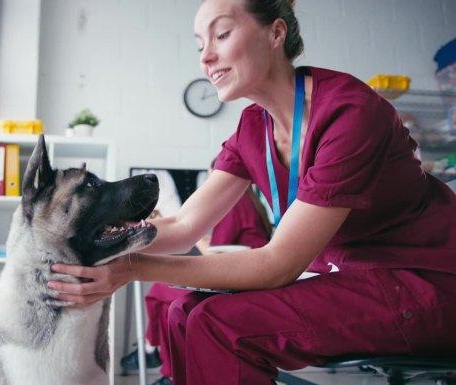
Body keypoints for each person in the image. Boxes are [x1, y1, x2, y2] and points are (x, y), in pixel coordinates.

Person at [48, 0, 456, 384]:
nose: (205, 57)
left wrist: (133, 269)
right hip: (356, 281)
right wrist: (100, 243)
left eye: (221, 34)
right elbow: (186, 225)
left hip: (427, 284)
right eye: (199, 44)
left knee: (220, 324)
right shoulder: (252, 128)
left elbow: (278, 265)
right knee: (183, 312)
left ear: (275, 33)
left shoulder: (348, 113)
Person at [121, 169, 272, 385]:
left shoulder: (235, 203)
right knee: (164, 292)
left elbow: (215, 250)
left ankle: (158, 356)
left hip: (242, 273)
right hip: (245, 269)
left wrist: (196, 236)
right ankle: (157, 356)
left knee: (164, 292)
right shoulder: (249, 201)